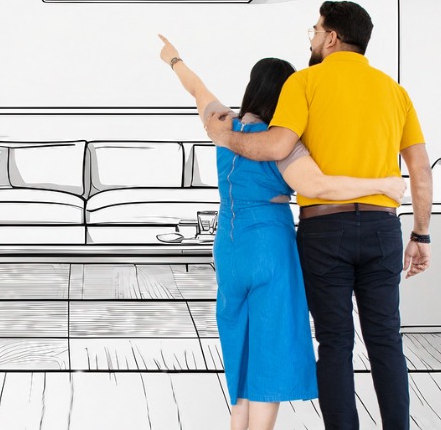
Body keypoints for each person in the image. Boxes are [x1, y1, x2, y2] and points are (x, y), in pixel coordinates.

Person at [203, 1, 434, 430]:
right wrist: (421, 235)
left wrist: (223, 136)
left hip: (326, 230)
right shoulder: (395, 91)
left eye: (315, 30)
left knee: (335, 343)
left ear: (330, 37)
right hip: (384, 229)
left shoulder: (305, 82)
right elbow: (419, 169)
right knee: (386, 341)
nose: (311, 38)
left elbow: (273, 147)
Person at [158, 34, 406, 430]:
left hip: (229, 249)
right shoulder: (283, 146)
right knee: (269, 358)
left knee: (241, 351)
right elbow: (320, 188)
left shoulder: (223, 125)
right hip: (269, 248)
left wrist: (173, 59)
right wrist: (383, 186)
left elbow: (197, 88)